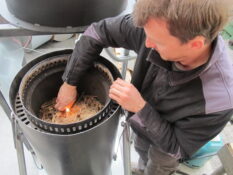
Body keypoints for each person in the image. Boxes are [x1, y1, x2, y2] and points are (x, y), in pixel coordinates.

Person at [55, 0, 233, 174]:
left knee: (157, 167)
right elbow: (97, 31)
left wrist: (140, 108)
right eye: (146, 34)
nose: (146, 44)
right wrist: (70, 82)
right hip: (143, 124)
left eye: (157, 41)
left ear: (195, 44)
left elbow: (177, 147)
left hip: (165, 150)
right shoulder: (155, 26)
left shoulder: (219, 100)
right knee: (141, 148)